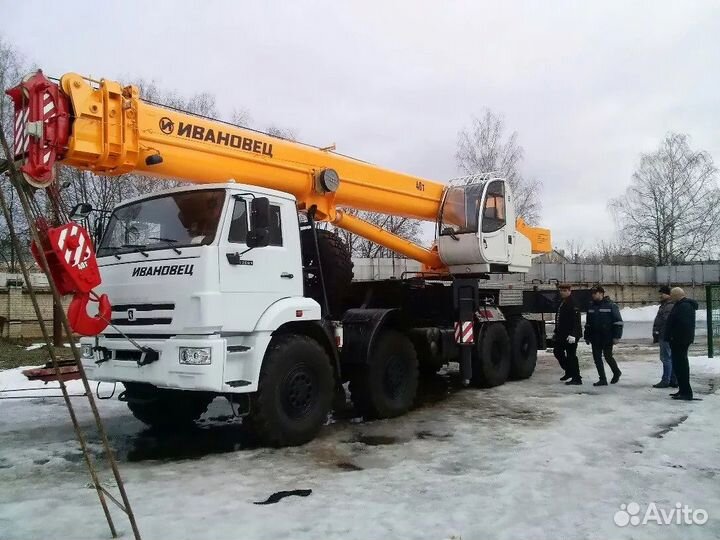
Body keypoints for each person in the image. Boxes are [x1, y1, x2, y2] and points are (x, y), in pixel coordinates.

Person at [584, 285, 623, 386]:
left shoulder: (611, 305)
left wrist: (616, 336)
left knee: (608, 356)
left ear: (601, 294)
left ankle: (616, 372)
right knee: (597, 358)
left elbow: (618, 322)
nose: (593, 295)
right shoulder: (591, 306)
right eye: (592, 293)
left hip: (607, 336)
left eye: (595, 293)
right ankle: (602, 379)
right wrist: (587, 336)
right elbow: (588, 323)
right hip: (595, 337)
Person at [664, 287, 697, 400]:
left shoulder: (684, 306)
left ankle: (686, 392)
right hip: (677, 340)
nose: (671, 297)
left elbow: (683, 325)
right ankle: (682, 390)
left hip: (680, 341)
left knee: (681, 366)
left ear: (678, 295)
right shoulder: (680, 305)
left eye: (672, 295)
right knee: (678, 366)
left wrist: (673, 336)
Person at [553, 284, 583, 385]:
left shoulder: (573, 302)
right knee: (557, 352)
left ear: (570, 291)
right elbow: (559, 319)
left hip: (571, 335)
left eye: (565, 290)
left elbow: (576, 320)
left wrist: (573, 334)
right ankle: (569, 371)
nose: (562, 292)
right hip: (562, 334)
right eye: (561, 290)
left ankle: (577, 378)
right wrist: (556, 332)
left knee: (571, 356)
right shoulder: (562, 302)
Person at [652, 285, 677, 388]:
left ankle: (666, 380)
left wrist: (658, 332)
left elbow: (665, 322)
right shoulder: (665, 305)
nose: (660, 295)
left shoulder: (668, 306)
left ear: (668, 294)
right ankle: (672, 380)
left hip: (666, 336)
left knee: (666, 358)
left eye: (662, 293)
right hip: (665, 335)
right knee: (669, 358)